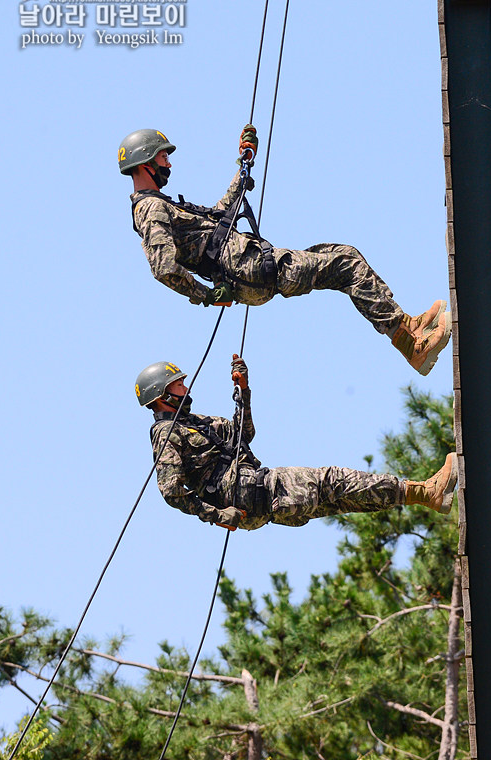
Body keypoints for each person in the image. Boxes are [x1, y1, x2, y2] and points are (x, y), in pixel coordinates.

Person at [120, 127, 451, 376]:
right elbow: (163, 267)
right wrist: (206, 295)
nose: (169, 164)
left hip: (250, 266)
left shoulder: (162, 205)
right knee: (347, 264)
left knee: (340, 254)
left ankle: (407, 327)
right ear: (145, 163)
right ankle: (410, 344)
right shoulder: (150, 209)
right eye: (163, 157)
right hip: (247, 269)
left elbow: (221, 217)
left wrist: (243, 165)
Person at [135, 356, 458, 531]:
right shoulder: (165, 433)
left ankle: (425, 496)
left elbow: (243, 435)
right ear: (162, 396)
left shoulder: (198, 424)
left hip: (259, 496)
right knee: (331, 480)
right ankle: (424, 492)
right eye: (178, 385)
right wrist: (215, 514)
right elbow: (171, 491)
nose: (185, 388)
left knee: (342, 499)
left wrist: (243, 392)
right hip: (253, 491)